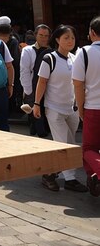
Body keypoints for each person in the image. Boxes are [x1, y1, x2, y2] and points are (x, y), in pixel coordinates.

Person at [32, 25, 88, 192]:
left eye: (72, 38)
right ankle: (69, 179)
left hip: (72, 108)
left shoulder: (75, 58)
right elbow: (42, 82)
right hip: (54, 108)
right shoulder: (49, 59)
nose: (70, 41)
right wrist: (36, 104)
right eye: (66, 38)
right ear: (57, 40)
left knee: (68, 144)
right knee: (65, 143)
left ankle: (50, 173)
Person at [72, 16, 100, 197]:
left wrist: (80, 107)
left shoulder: (84, 52)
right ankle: (94, 178)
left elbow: (77, 84)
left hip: (93, 108)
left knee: (89, 148)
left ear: (91, 32)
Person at [20, 24, 52, 137]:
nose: (44, 38)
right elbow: (24, 71)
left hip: (49, 88)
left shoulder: (52, 51)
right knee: (36, 115)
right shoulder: (28, 50)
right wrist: (28, 91)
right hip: (33, 87)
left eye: (46, 36)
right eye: (41, 35)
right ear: (35, 35)